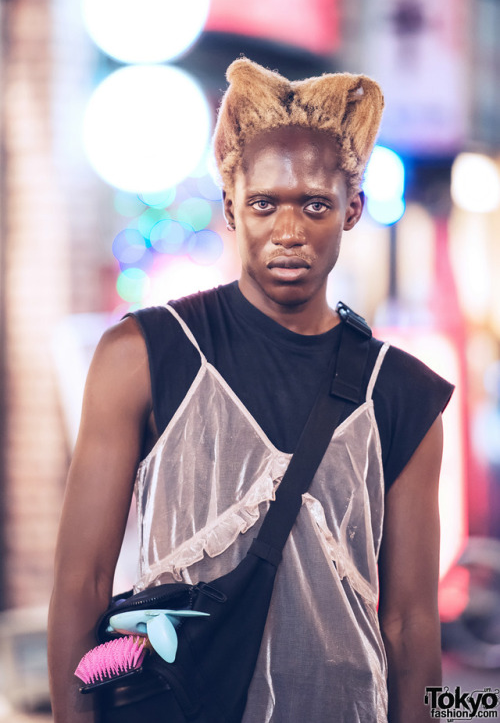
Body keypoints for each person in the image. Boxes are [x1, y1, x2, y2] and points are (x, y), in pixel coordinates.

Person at [48, 58, 454, 723]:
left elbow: (412, 626)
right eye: (265, 203)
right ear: (232, 202)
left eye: (315, 205)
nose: (288, 230)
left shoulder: (404, 395)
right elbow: (81, 582)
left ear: (351, 210)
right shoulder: (143, 355)